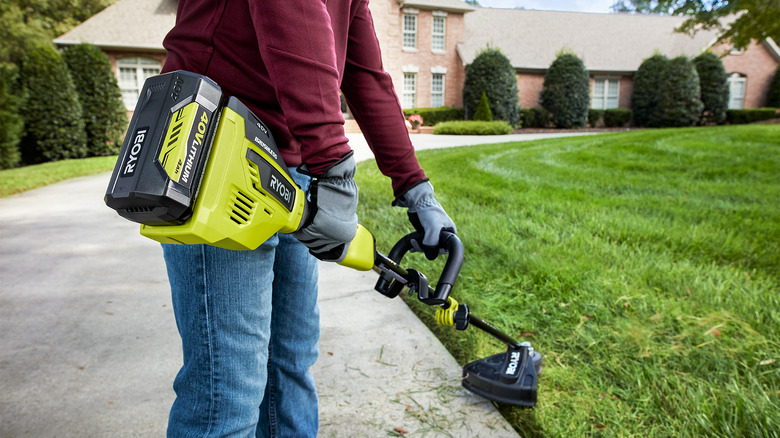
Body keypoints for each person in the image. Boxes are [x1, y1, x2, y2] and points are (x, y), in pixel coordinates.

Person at [160, 0, 457, 436]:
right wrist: (335, 169)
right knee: (224, 395)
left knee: (290, 365)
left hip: (293, 172)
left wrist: (415, 187)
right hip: (213, 153)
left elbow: (363, 73)